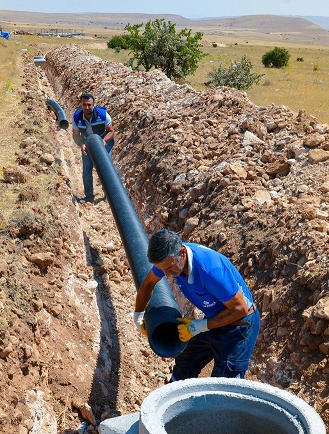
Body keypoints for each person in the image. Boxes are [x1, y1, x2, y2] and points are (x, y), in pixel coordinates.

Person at [133, 229, 260, 381]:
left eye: (169, 269)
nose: (166, 274)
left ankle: (219, 404)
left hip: (239, 324)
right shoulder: (170, 259)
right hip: (215, 316)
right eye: (162, 269)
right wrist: (138, 316)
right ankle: (174, 400)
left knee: (224, 383)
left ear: (182, 253)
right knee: (186, 360)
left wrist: (198, 326)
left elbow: (240, 309)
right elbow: (148, 284)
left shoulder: (210, 271)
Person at [71, 92, 115, 203]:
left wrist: (104, 141)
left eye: (89, 105)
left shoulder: (103, 115)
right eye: (84, 105)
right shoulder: (77, 117)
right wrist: (82, 144)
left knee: (106, 169)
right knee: (87, 170)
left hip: (104, 143)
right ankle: (89, 197)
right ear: (81, 105)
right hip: (87, 144)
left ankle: (108, 195)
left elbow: (111, 132)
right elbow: (76, 136)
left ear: (93, 104)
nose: (87, 107)